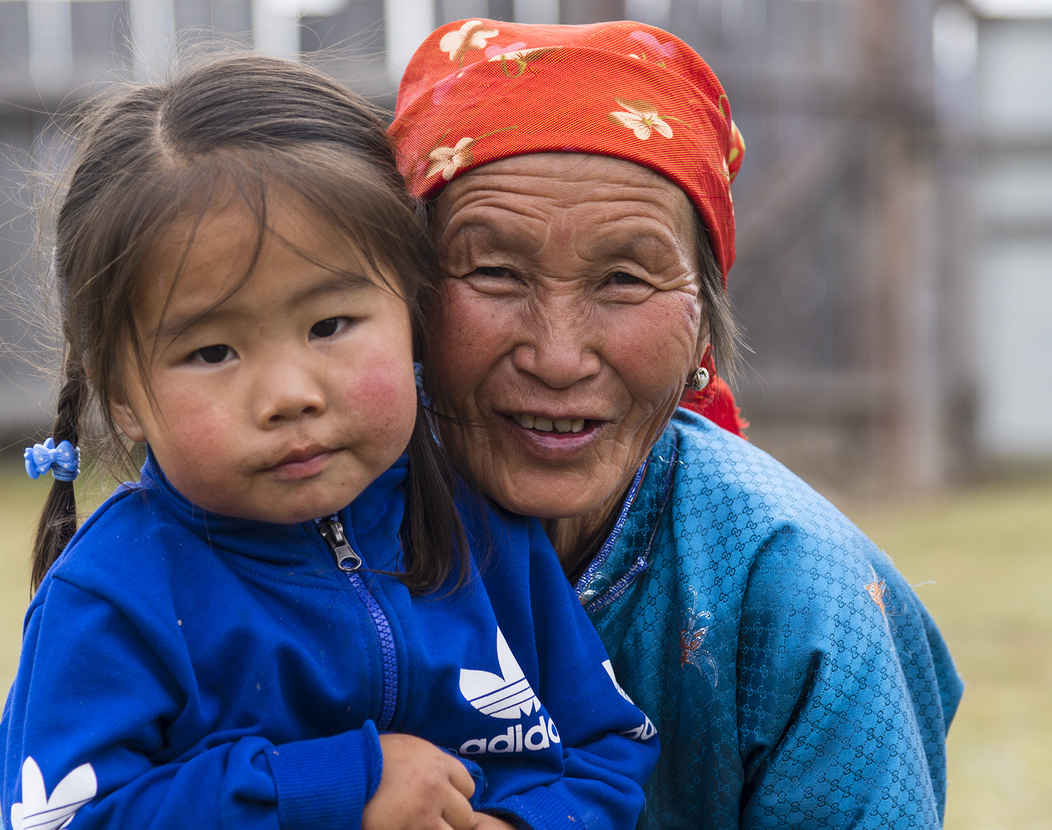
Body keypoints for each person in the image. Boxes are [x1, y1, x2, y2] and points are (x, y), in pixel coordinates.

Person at [0, 52, 661, 830]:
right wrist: (331, 789)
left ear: (414, 315)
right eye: (213, 352)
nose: (291, 395)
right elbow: (66, 818)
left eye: (329, 326)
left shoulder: (484, 528)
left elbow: (606, 744)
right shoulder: (115, 600)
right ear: (122, 395)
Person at [390, 19, 963, 829]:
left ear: (703, 328)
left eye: (624, 278)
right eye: (493, 271)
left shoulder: (797, 593)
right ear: (406, 303)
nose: (558, 357)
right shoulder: (308, 527)